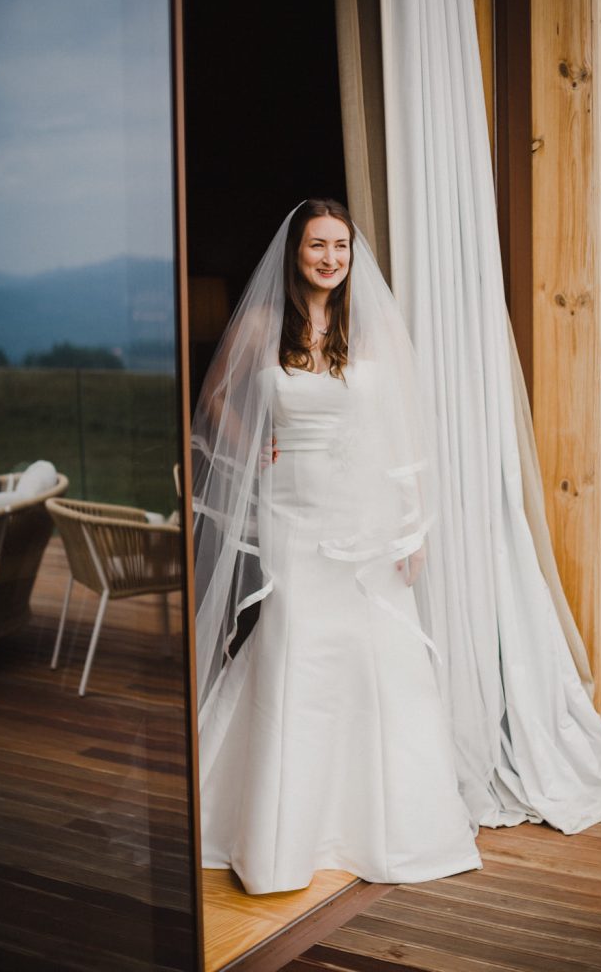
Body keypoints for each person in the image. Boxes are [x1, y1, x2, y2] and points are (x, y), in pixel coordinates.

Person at [192, 198, 482, 894]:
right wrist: (251, 443)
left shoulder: (368, 325)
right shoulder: (264, 323)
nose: (329, 258)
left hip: (364, 511)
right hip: (294, 510)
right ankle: (280, 831)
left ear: (352, 256)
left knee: (375, 655)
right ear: (295, 252)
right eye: (318, 245)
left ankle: (379, 824)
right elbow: (215, 404)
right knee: (297, 646)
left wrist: (410, 524)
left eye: (340, 247)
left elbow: (401, 427)